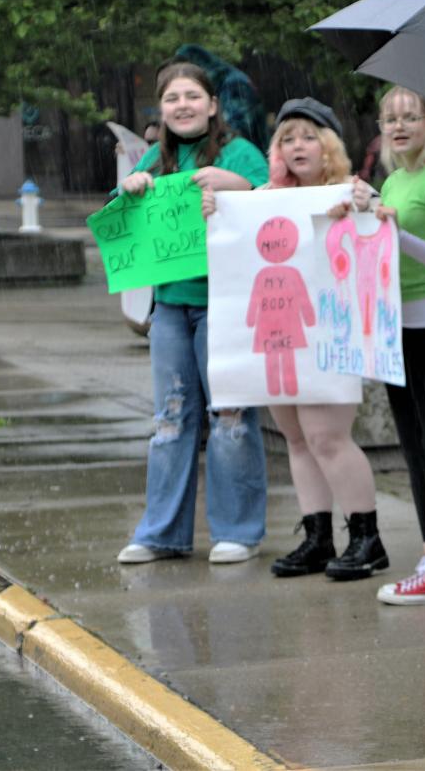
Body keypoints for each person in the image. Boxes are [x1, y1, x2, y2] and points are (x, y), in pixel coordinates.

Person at [116, 61, 269, 565]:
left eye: (192, 96)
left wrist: (237, 186)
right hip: (170, 309)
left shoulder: (241, 154)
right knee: (170, 420)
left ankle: (238, 531)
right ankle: (161, 534)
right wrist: (128, 190)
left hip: (226, 304)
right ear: (160, 111)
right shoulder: (154, 163)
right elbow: (120, 224)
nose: (182, 105)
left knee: (230, 416)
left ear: (212, 105)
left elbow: (275, 208)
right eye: (172, 98)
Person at [240, 97, 387, 581]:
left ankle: (366, 537)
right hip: (281, 335)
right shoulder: (263, 199)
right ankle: (318, 536)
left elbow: (375, 242)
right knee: (297, 438)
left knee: (328, 437)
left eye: (307, 136)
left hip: (330, 334)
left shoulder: (352, 191)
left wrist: (364, 210)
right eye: (287, 138)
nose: (297, 145)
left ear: (327, 145)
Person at [347, 87, 425, 605]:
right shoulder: (396, 179)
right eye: (390, 119)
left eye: (409, 118)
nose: (399, 127)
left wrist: (397, 234)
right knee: (416, 447)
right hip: (397, 325)